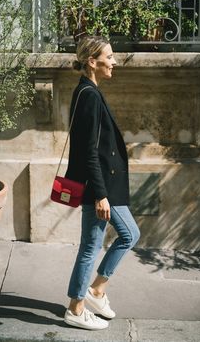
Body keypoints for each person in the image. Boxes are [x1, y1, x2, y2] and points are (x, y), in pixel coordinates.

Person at [64, 35, 140, 330]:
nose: (114, 62)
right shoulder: (89, 96)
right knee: (105, 241)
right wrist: (100, 195)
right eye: (109, 57)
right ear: (92, 62)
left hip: (104, 185)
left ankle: (94, 292)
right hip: (101, 187)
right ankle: (78, 305)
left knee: (104, 241)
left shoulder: (88, 92)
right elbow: (89, 152)